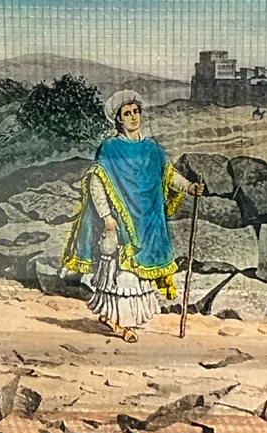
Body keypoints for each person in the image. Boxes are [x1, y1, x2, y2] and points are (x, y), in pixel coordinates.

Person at [63, 90, 203, 342]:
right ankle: (122, 325)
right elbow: (97, 181)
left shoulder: (152, 149)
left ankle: (118, 318)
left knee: (139, 277)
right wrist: (106, 216)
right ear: (118, 119)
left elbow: (168, 175)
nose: (133, 117)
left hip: (148, 223)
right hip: (121, 223)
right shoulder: (110, 148)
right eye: (127, 113)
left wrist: (190, 187)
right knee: (122, 275)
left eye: (136, 111)